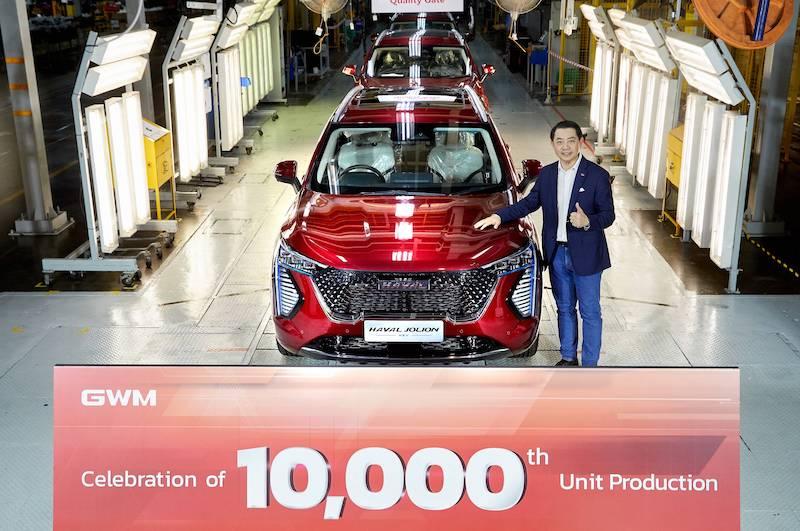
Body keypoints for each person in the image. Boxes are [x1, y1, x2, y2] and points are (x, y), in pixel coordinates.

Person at [474, 121, 615, 367]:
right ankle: (568, 357)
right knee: (564, 307)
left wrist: (587, 221)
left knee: (590, 311)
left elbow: (608, 215)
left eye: (570, 141)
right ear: (553, 144)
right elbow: (529, 204)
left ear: (580, 142)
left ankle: (590, 364)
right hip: (557, 254)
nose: (565, 147)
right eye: (559, 141)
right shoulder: (548, 175)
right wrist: (499, 216)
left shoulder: (597, 176)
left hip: (587, 255)